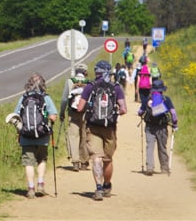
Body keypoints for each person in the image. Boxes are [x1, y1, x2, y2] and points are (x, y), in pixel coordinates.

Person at [77, 60, 127, 201]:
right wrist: (112, 113)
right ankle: (107, 185)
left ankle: (98, 188)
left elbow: (80, 108)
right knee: (108, 159)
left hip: (93, 128)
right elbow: (124, 110)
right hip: (110, 128)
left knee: (96, 158)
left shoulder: (89, 87)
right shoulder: (116, 87)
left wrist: (91, 109)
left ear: (96, 72)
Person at [14, 72, 58, 199]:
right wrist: (48, 121)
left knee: (29, 163)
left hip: (26, 136)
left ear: (29, 84)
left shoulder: (23, 98)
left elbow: (16, 117)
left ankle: (31, 188)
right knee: (42, 160)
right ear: (43, 84)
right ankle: (40, 184)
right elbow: (53, 116)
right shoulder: (46, 98)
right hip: (42, 136)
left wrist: (19, 132)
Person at [137, 79, 178, 175]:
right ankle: (164, 168)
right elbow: (173, 114)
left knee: (149, 147)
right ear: (162, 89)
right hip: (162, 127)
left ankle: (149, 167)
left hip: (149, 127)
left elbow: (140, 112)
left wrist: (143, 112)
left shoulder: (147, 99)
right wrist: (174, 124)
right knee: (162, 148)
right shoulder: (166, 99)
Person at [60, 63, 90, 172]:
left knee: (73, 136)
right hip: (85, 113)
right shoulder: (89, 83)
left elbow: (64, 99)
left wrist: (62, 112)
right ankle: (84, 162)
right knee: (84, 136)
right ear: (85, 72)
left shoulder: (70, 81)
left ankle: (75, 162)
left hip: (73, 113)